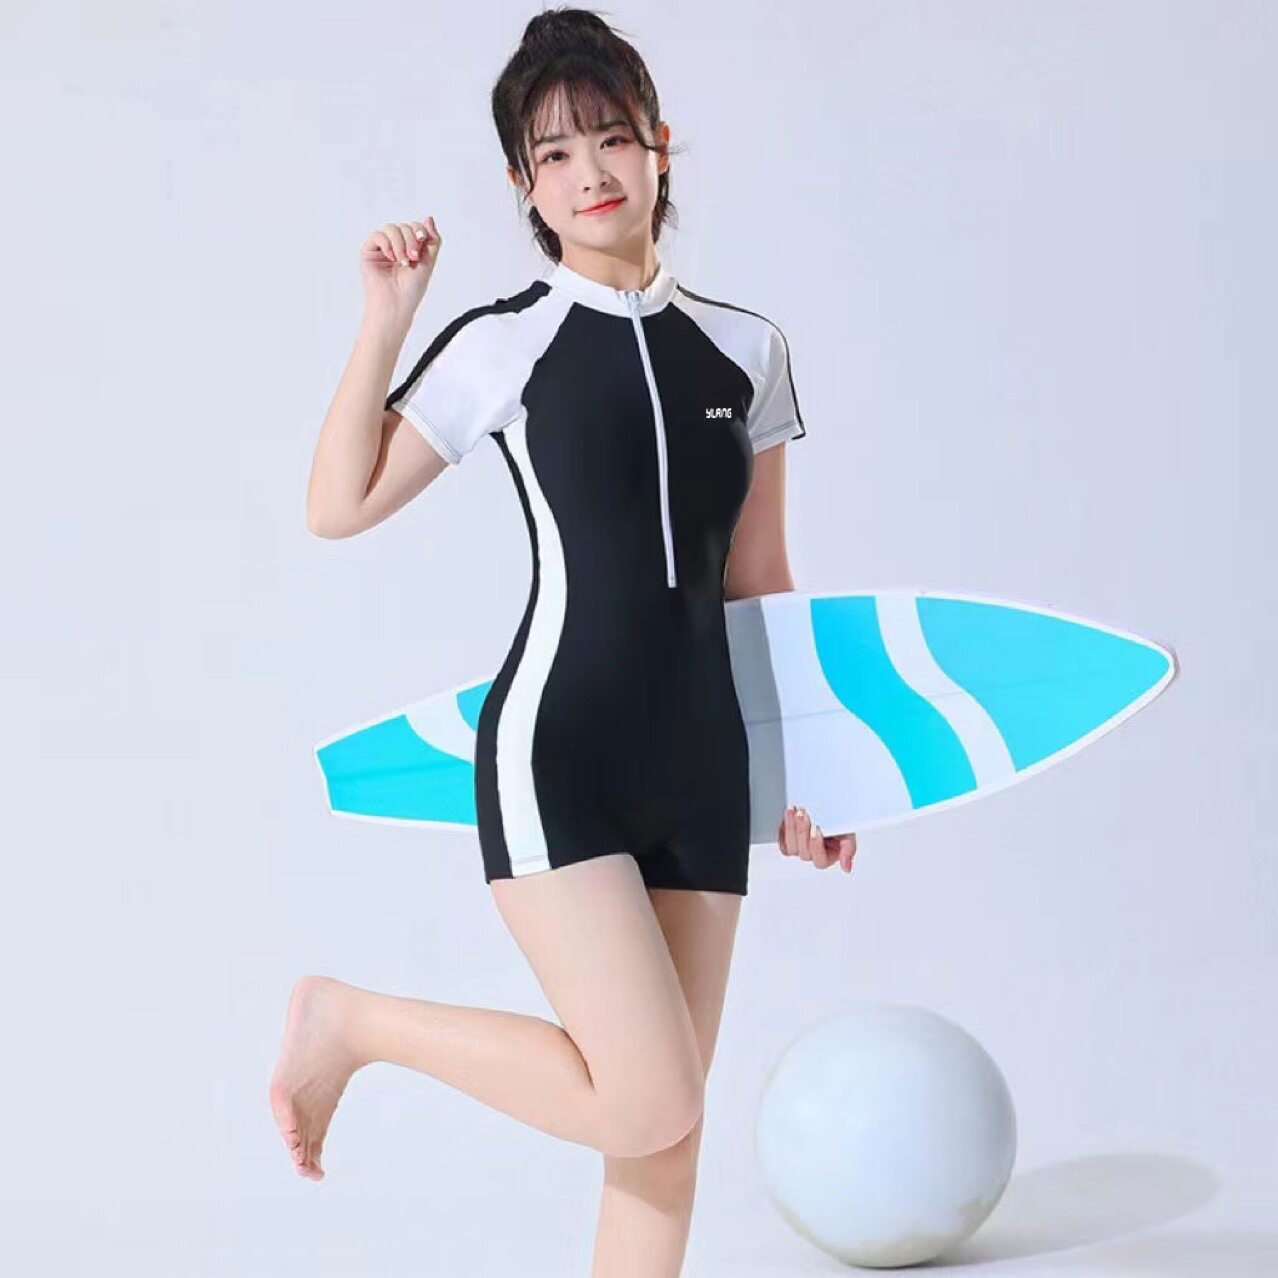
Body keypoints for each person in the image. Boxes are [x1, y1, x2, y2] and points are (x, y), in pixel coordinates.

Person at [271, 7, 857, 1273]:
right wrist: (386, 318)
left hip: (706, 768)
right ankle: (354, 1021)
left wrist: (810, 779)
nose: (590, 172)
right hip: (560, 753)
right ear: (523, 188)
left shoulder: (748, 350)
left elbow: (760, 586)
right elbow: (337, 504)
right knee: (648, 1096)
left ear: (659, 146)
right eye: (554, 154)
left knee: (664, 1142)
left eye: (611, 139)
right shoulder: (505, 340)